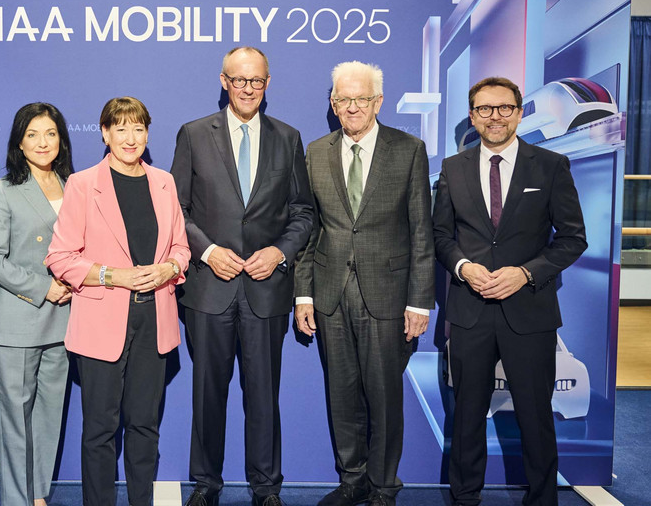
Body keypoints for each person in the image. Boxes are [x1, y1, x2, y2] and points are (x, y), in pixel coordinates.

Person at [433, 77, 587, 506]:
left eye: (504, 108)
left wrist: (525, 273)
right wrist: (463, 268)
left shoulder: (551, 165)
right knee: (466, 417)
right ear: (473, 116)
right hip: (470, 310)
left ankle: (542, 499)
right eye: (485, 109)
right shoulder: (453, 168)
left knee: (536, 417)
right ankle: (465, 498)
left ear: (519, 113)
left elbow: (572, 239)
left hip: (530, 311)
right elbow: (440, 236)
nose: (495, 117)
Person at [171, 47, 314, 506]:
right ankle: (205, 484)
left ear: (267, 83)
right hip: (208, 289)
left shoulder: (288, 137)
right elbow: (176, 210)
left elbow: (303, 212)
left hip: (266, 290)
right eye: (239, 80)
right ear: (224, 81)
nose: (248, 88)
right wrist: (209, 251)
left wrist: (279, 252)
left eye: (256, 80)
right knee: (207, 394)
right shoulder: (194, 134)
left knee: (264, 397)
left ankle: (267, 487)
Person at [293, 61, 434, 506]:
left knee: (385, 397)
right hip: (330, 293)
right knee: (342, 394)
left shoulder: (408, 149)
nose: (352, 107)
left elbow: (422, 231)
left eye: (361, 99)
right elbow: (309, 228)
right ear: (333, 104)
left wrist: (420, 302)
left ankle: (384, 486)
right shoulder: (316, 151)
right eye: (343, 99)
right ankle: (352, 478)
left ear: (378, 101)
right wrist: (303, 293)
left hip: (389, 295)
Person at [46, 96, 190, 506]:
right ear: (105, 133)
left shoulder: (164, 182)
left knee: (145, 426)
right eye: (121, 128)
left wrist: (168, 269)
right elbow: (60, 257)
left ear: (147, 133)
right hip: (101, 322)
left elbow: (181, 248)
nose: (130, 137)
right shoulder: (82, 184)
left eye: (138, 128)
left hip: (154, 318)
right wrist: (113, 275)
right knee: (100, 429)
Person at [0, 103, 74, 506]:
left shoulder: (75, 186)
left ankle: (38, 495)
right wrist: (44, 287)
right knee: (15, 421)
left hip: (66, 319)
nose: (42, 142)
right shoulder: (3, 190)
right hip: (18, 319)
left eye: (50, 133)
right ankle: (17, 500)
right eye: (32, 134)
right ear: (19, 141)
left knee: (49, 416)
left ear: (61, 139)